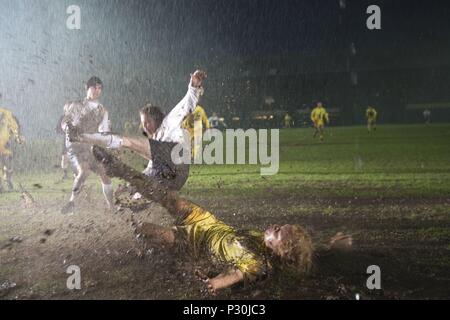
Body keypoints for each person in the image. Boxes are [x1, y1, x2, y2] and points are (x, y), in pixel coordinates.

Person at [91, 145, 352, 295]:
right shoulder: (276, 246)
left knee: (149, 232)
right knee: (167, 197)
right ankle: (117, 168)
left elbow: (236, 274)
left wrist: (216, 282)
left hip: (193, 244)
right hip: (206, 221)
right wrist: (332, 248)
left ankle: (143, 244)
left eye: (277, 233)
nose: (273, 227)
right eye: (279, 226)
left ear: (278, 249)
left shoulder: (257, 264)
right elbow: (300, 252)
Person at [67, 70, 207, 192]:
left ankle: (81, 136)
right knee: (139, 190)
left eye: (147, 122)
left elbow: (186, 105)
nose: (145, 126)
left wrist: (194, 86)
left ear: (156, 119)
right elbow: (151, 167)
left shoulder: (168, 122)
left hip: (177, 160)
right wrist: (130, 188)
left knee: (129, 142)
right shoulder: (157, 140)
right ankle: (125, 177)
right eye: (143, 123)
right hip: (174, 179)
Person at [60, 76, 114, 214]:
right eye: (94, 87)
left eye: (100, 88)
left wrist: (108, 137)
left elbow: (104, 132)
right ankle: (71, 202)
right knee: (84, 170)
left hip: (89, 146)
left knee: (104, 173)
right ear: (87, 88)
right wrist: (67, 127)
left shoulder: (103, 111)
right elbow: (64, 122)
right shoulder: (76, 105)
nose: (97, 90)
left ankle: (111, 207)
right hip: (75, 146)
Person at [0, 105, 25, 192]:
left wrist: (18, 138)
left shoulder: (7, 115)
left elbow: (15, 128)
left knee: (7, 165)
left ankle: (8, 181)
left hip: (5, 144)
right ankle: (2, 185)